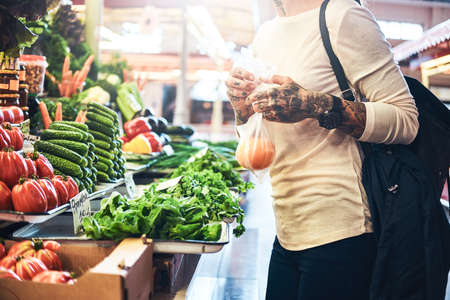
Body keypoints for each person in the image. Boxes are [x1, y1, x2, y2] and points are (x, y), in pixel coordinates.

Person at [225, 0, 419, 299]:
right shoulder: (266, 33)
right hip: (288, 229)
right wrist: (243, 112)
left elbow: (406, 121)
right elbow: (258, 151)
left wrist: (314, 104)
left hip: (342, 231)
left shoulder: (343, 16)